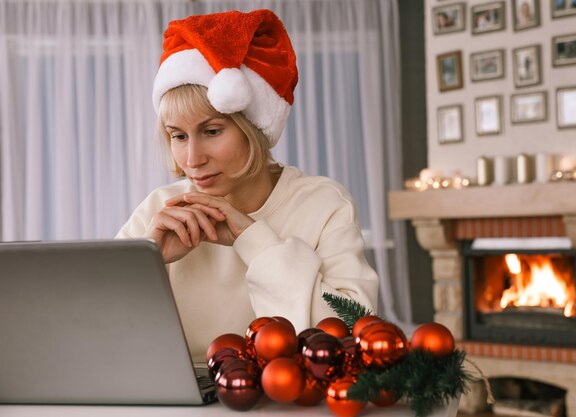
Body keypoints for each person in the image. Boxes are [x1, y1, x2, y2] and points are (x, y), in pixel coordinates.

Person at [116, 9, 379, 363]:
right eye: (178, 136)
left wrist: (254, 241)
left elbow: (351, 334)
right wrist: (148, 261)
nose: (191, 159)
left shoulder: (324, 204)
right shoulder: (160, 209)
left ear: (255, 128)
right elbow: (89, 329)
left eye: (212, 131)